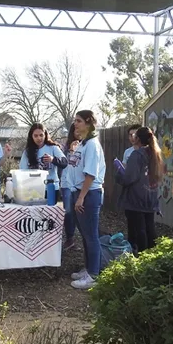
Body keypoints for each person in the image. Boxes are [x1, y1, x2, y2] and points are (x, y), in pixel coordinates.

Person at [67, 110, 106, 290]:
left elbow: (90, 174)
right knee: (84, 234)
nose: (76, 124)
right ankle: (89, 269)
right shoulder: (83, 143)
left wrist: (81, 197)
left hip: (89, 194)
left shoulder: (92, 145)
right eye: (75, 121)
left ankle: (94, 275)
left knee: (91, 236)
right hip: (79, 192)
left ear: (89, 123)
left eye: (79, 121)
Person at [115, 126, 163, 254]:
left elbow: (129, 177)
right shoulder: (155, 153)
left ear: (137, 139)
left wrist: (119, 174)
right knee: (150, 228)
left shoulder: (137, 154)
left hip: (136, 197)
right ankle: (154, 256)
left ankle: (142, 257)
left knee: (139, 230)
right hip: (151, 195)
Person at [19, 123, 68, 201]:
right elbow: (22, 171)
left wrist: (53, 160)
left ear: (45, 135)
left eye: (41, 135)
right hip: (34, 189)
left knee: (50, 212)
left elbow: (65, 162)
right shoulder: (27, 152)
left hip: (51, 188)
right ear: (31, 137)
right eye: (36, 136)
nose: (39, 138)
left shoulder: (53, 148)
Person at [60, 124, 80, 250]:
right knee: (69, 211)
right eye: (75, 130)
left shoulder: (86, 146)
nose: (78, 132)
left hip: (80, 183)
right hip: (67, 183)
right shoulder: (65, 148)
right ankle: (69, 239)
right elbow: (66, 165)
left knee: (79, 211)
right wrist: (72, 150)